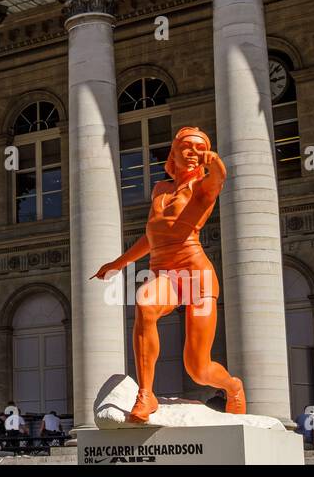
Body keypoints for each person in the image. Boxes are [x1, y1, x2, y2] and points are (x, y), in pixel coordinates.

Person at [93, 127, 246, 423]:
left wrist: (211, 158)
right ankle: (146, 394)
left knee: (198, 368)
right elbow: (153, 236)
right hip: (166, 274)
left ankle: (233, 386)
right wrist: (119, 263)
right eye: (186, 146)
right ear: (173, 152)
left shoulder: (203, 187)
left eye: (198, 148)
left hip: (195, 276)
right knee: (145, 303)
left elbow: (220, 176)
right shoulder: (160, 191)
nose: (192, 151)